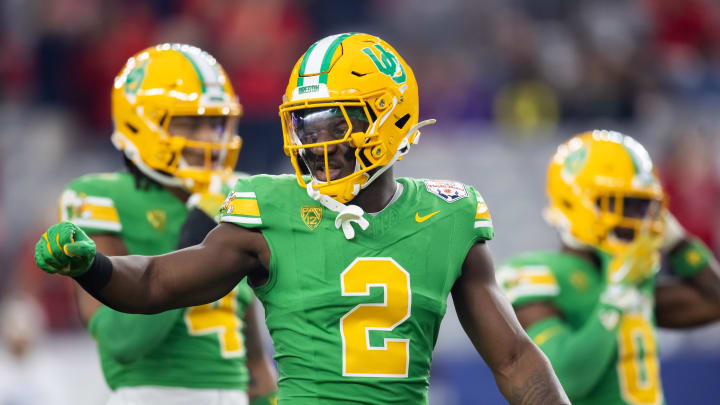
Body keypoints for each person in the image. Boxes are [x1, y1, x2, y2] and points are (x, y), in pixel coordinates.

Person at [35, 33, 569, 404]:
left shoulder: (448, 215)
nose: (319, 143)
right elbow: (155, 283)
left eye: (335, 122)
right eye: (306, 126)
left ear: (391, 115)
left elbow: (516, 360)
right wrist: (94, 270)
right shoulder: (269, 207)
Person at [56, 44, 277, 405]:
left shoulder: (234, 192)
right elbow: (122, 341)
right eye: (189, 123)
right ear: (138, 122)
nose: (208, 140)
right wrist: (196, 235)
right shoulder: (98, 195)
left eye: (216, 123)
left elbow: (252, 354)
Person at [497, 130, 720, 405]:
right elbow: (563, 381)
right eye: (624, 203)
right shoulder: (536, 274)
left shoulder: (632, 274)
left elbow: (715, 301)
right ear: (575, 200)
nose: (639, 218)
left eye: (644, 205)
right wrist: (616, 295)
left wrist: (678, 242)